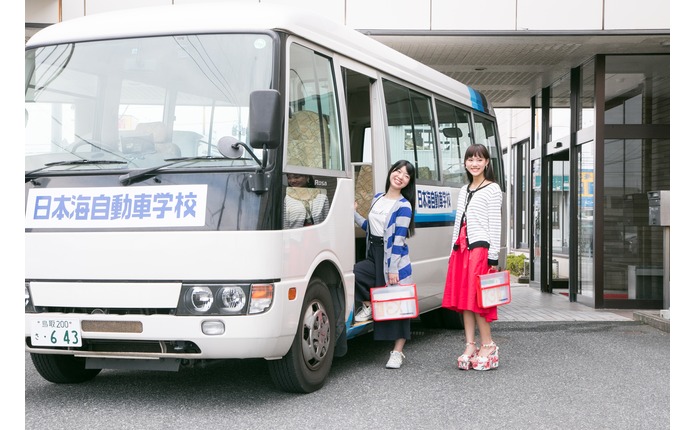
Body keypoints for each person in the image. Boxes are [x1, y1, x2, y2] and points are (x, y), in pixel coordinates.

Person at [442, 144, 503, 371]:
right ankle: (470, 345)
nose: (474, 164)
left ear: (487, 162)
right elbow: (458, 223)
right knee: (464, 301)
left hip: (480, 251)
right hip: (461, 250)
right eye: (470, 159)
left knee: (478, 301)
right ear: (465, 163)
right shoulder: (464, 189)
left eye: (479, 159)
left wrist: (493, 258)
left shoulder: (492, 189)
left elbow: (495, 225)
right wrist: (452, 252)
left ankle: (488, 345)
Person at [353, 160, 417, 369]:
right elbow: (369, 227)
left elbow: (398, 239)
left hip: (393, 258)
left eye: (406, 175)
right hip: (374, 253)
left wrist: (392, 269)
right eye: (397, 171)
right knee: (354, 274)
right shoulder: (378, 198)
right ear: (391, 172)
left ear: (409, 182)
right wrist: (352, 213)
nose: (400, 176)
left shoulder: (404, 206)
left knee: (399, 304)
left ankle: (397, 352)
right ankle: (369, 306)